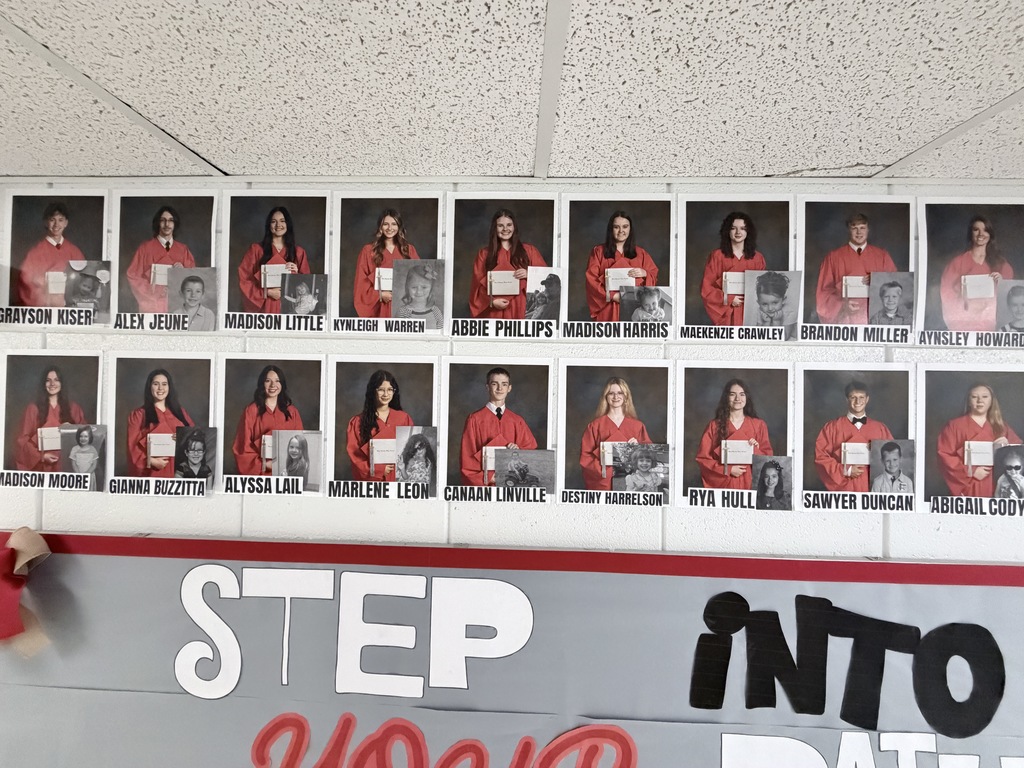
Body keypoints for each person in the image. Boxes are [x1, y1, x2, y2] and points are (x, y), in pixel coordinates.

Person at [937, 383, 1021, 497]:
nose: (980, 400)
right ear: (968, 401)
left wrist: (1008, 447)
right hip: (968, 483)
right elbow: (945, 456)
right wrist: (971, 471)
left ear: (992, 401)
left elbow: (1019, 453)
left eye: (985, 397)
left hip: (995, 482)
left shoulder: (1001, 426)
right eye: (974, 397)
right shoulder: (954, 426)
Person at [815, 213, 897, 325]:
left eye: (862, 228)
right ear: (848, 230)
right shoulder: (833, 257)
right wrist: (842, 305)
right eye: (854, 228)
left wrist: (878, 280)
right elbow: (823, 294)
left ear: (868, 230)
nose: (859, 232)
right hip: (845, 322)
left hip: (876, 321)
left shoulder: (882, 256)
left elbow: (896, 286)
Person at [461, 367, 538, 486]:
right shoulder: (474, 419)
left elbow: (530, 451)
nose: (500, 388)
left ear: (509, 388)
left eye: (504, 384)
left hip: (512, 490)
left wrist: (518, 450)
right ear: (487, 387)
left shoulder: (517, 421)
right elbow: (467, 457)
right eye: (494, 384)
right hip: (486, 488)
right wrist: (490, 478)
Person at [814, 380, 893, 492]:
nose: (857, 401)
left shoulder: (880, 428)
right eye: (853, 397)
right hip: (843, 491)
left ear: (867, 399)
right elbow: (821, 457)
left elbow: (892, 457)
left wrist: (877, 450)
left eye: (861, 397)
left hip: (873, 491)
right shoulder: (831, 427)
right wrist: (846, 470)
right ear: (847, 399)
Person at [469, 209, 547, 319]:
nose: (505, 229)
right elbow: (476, 287)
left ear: (514, 227)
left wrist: (530, 274)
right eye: (500, 225)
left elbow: (547, 278)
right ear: (494, 229)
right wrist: (492, 302)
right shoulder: (484, 254)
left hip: (522, 308)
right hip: (495, 311)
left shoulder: (530, 251)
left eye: (509, 225)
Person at [695, 379, 773, 490]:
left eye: (742, 394)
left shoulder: (759, 425)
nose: (738, 399)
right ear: (726, 398)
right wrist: (727, 469)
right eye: (733, 394)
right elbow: (703, 459)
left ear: (747, 398)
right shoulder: (714, 426)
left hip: (750, 485)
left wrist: (755, 450)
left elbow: (768, 461)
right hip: (725, 487)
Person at [940, 216, 1012, 332]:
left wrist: (1003, 283)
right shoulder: (957, 263)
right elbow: (947, 295)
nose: (981, 234)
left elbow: (1010, 294)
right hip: (964, 325)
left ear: (990, 234)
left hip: (991, 326)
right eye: (976, 229)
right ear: (970, 233)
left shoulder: (1001, 264)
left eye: (985, 230)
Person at [580, 377, 651, 491]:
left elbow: (648, 455)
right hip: (604, 482)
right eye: (611, 393)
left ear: (626, 396)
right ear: (605, 397)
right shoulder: (595, 426)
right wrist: (606, 470)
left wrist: (639, 447)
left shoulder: (638, 426)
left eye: (620, 393)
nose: (615, 397)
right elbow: (586, 458)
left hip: (632, 483)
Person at [585, 211, 658, 322]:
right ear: (611, 229)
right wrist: (613, 296)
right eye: (616, 227)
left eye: (625, 227)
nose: (621, 231)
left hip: (634, 307)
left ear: (630, 229)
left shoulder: (641, 253)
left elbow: (653, 275)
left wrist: (645, 273)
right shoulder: (598, 252)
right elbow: (592, 281)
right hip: (607, 307)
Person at [237, 207, 310, 313]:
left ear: (288, 224)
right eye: (273, 221)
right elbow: (244, 280)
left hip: (289, 308)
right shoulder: (256, 250)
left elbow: (307, 284)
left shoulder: (298, 252)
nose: (278, 225)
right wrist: (266, 293)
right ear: (269, 225)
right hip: (264, 308)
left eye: (282, 221)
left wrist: (298, 273)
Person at [233, 365, 303, 475]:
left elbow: (300, 445)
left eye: (277, 381)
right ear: (262, 384)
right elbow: (242, 447)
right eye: (268, 381)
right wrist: (265, 465)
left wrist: (287, 466)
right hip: (260, 475)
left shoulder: (292, 412)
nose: (273, 385)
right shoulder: (251, 411)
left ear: (282, 384)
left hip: (286, 474)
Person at [125, 206, 197, 313]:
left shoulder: (183, 250)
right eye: (163, 220)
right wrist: (154, 291)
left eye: (170, 221)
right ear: (157, 223)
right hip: (152, 306)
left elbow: (193, 277)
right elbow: (133, 276)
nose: (167, 224)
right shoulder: (145, 248)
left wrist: (183, 272)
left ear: (175, 224)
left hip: (176, 306)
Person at [14, 366, 86, 471]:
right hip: (42, 468)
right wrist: (41, 456)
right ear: (44, 384)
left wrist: (73, 430)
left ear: (62, 383)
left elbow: (86, 437)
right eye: (48, 380)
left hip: (67, 466)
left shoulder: (74, 408)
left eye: (56, 380)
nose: (52, 384)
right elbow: (22, 441)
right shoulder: (33, 409)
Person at [346, 370, 413, 482]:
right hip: (371, 484)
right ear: (373, 391)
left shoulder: (404, 418)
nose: (386, 394)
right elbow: (355, 458)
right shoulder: (357, 422)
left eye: (390, 389)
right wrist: (379, 469)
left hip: (397, 482)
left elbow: (408, 453)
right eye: (381, 390)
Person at [701, 212, 766, 326]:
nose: (738, 232)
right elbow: (707, 289)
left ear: (748, 231)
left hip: (750, 314)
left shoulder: (757, 258)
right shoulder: (717, 256)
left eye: (742, 228)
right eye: (733, 228)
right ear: (727, 231)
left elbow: (763, 289)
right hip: (726, 314)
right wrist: (729, 299)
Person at [16, 202, 86, 307]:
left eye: (61, 220)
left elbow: (82, 283)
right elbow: (26, 281)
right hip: (45, 309)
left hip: (68, 311)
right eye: (52, 220)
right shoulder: (35, 253)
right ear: (46, 222)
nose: (56, 225)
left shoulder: (75, 251)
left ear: (66, 223)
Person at [127, 369, 193, 478]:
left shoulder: (181, 413)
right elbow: (132, 448)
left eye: (164, 384)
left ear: (169, 387)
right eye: (156, 384)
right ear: (150, 387)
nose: (160, 388)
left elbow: (194, 437)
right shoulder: (138, 415)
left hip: (180, 472)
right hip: (154, 472)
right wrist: (149, 461)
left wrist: (183, 437)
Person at [353, 209, 420, 319]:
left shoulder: (409, 250)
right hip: (379, 308)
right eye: (386, 224)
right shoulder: (368, 251)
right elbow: (361, 283)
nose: (390, 228)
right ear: (380, 226)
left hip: (403, 306)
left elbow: (418, 279)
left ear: (399, 227)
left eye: (394, 224)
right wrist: (379, 295)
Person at [394, 262, 443, 328]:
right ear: (407, 287)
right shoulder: (402, 312)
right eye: (414, 287)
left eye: (424, 287)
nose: (419, 292)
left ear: (431, 288)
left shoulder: (436, 312)